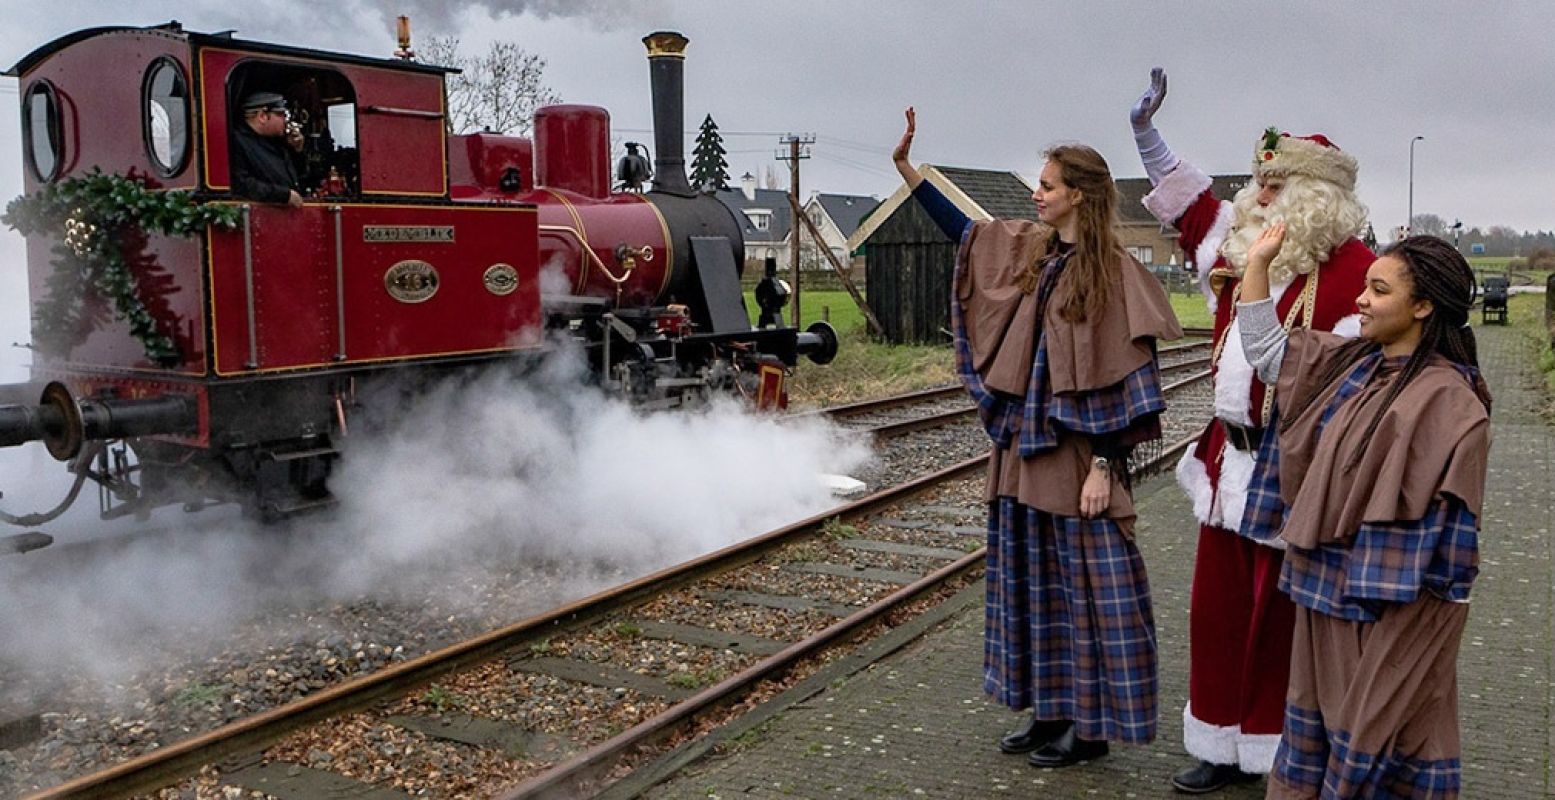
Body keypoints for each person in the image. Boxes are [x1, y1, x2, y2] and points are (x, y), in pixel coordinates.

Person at [892, 108, 1182, 768]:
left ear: (1077, 193)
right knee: (1031, 585)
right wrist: (908, 171)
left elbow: (1133, 380)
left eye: (1046, 185)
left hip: (1079, 461)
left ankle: (1091, 726)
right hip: (1021, 453)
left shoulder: (1114, 273)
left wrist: (1105, 466)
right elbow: (964, 234)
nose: (1035, 193)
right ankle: (1049, 710)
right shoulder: (1030, 251)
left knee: (1088, 594)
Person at [1129, 69, 1375, 793]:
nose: (1255, 197)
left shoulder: (1355, 273)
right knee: (1215, 612)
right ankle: (1214, 740)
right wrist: (1146, 136)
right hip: (1225, 463)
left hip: (1293, 468)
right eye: (1257, 185)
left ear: (1315, 200)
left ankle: (1274, 750)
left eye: (1272, 188)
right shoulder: (1239, 255)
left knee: (1278, 624)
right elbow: (1191, 205)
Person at [1236, 228, 1489, 798]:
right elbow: (1266, 354)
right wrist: (1259, 263)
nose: (1361, 300)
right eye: (1365, 287)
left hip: (1387, 611)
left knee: (1379, 749)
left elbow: (1454, 547)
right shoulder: (1349, 362)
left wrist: (1420, 644)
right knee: (1316, 738)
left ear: (1422, 306)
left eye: (1378, 290)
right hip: (1320, 591)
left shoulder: (1452, 403)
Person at [231, 91, 305, 208]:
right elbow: (242, 184)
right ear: (262, 116)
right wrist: (284, 195)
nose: (285, 121)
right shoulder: (237, 142)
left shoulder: (276, 141)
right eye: (281, 115)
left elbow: (299, 176)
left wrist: (297, 149)